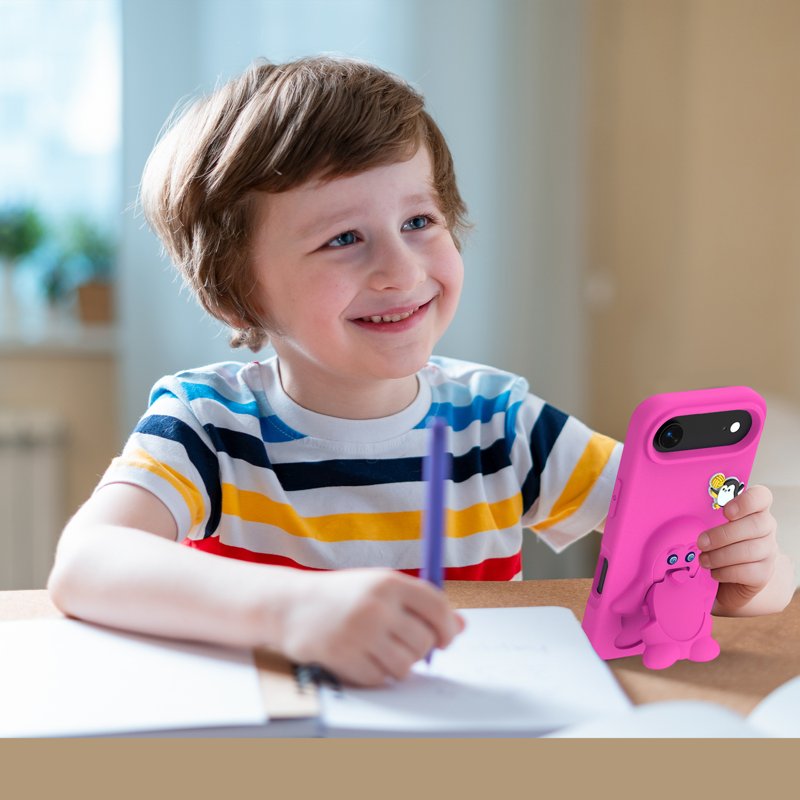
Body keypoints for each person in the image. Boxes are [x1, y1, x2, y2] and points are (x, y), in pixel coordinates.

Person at [48, 56, 795, 687]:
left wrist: (751, 567)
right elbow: (87, 563)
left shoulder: (501, 423)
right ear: (236, 294)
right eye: (343, 238)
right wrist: (294, 610)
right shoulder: (206, 426)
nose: (401, 271)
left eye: (418, 222)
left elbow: (694, 522)